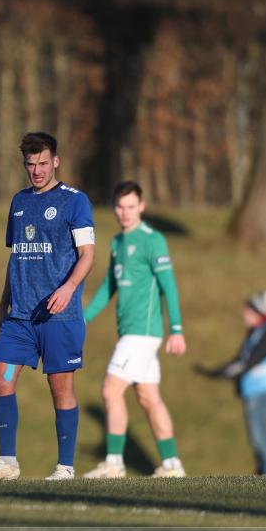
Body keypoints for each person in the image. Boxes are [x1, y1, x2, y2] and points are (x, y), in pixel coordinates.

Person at [0, 131, 95, 482]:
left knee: (60, 387)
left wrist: (69, 289)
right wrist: (3, 302)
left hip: (60, 315)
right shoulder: (19, 202)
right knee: (2, 377)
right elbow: (17, 256)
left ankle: (65, 467)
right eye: (31, 164)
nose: (37, 170)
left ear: (55, 161)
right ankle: (7, 463)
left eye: (43, 163)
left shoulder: (75, 201)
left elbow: (88, 254)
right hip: (20, 317)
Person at [82, 181, 188, 478]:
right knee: (149, 398)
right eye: (120, 206)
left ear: (140, 206)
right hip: (129, 332)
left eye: (131, 207)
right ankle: (172, 464)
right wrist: (84, 318)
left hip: (142, 332)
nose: (125, 213)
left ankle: (114, 462)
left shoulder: (153, 240)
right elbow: (108, 287)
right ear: (115, 207)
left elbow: (169, 286)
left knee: (110, 390)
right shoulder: (117, 243)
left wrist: (176, 329)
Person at [196, 291, 266, 474]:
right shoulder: (256, 333)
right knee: (258, 440)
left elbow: (245, 363)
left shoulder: (265, 333)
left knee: (261, 439)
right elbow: (240, 361)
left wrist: (217, 373)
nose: (243, 314)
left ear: (258, 312)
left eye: (247, 311)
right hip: (253, 393)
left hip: (262, 392)